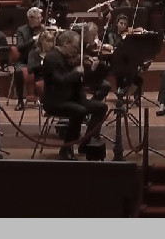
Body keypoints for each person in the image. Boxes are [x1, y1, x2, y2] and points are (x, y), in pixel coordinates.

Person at [34, 30, 109, 160]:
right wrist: (75, 73)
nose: (76, 51)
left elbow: (85, 82)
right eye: (74, 47)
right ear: (64, 43)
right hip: (57, 100)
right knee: (79, 111)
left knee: (101, 107)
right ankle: (66, 148)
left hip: (73, 98)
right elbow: (60, 81)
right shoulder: (51, 58)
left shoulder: (70, 58)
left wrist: (93, 69)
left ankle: (85, 143)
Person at [14, 30, 57, 111]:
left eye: (52, 42)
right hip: (40, 78)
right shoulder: (33, 53)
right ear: (42, 42)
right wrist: (42, 64)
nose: (50, 44)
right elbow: (30, 69)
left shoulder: (55, 53)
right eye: (48, 42)